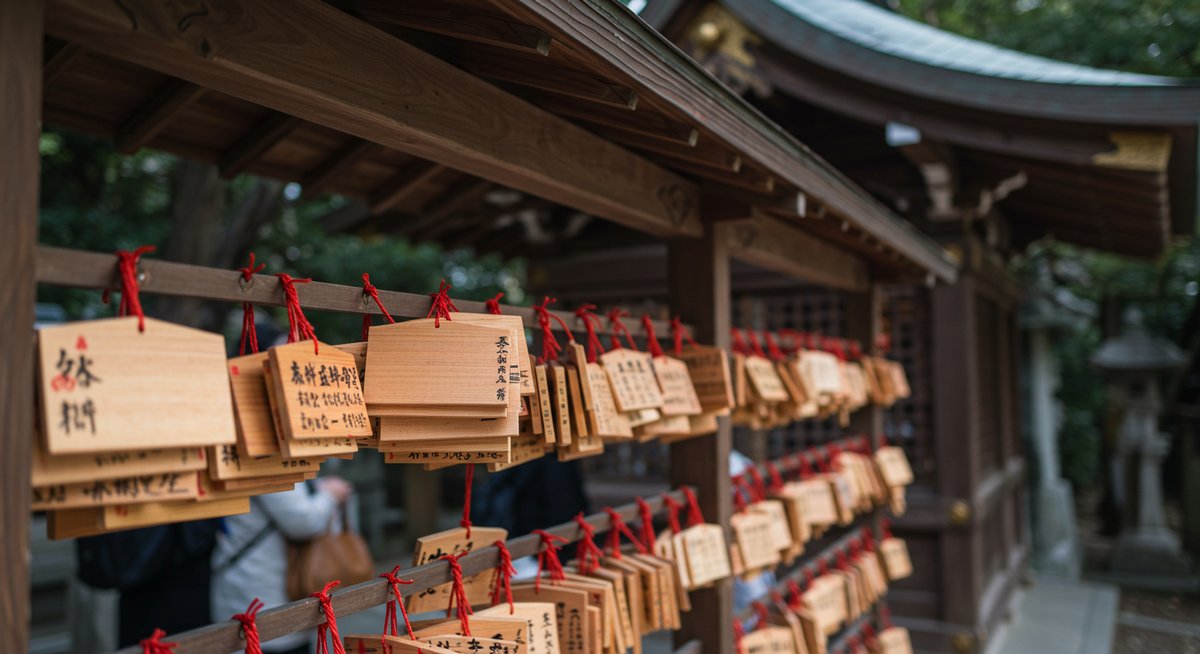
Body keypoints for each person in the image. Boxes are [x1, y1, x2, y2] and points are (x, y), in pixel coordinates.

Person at [211, 477, 352, 654]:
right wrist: (330, 495)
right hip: (264, 591)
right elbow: (303, 521)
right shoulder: (266, 459)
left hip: (255, 583)